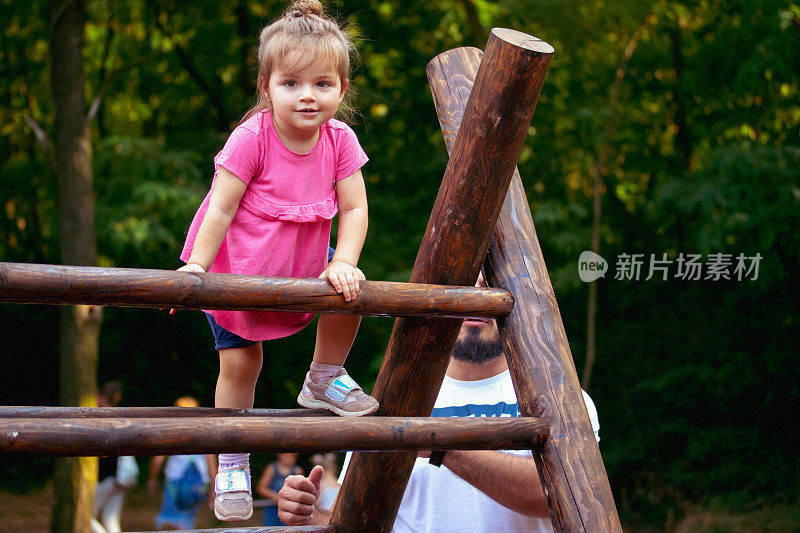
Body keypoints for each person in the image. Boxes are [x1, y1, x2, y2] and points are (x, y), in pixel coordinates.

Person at [175, 0, 377, 522]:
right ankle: (234, 461)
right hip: (239, 262)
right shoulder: (253, 136)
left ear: (342, 88)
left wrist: (345, 260)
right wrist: (196, 269)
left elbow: (355, 207)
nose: (307, 96)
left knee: (350, 293)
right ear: (267, 87)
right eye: (291, 83)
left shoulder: (340, 141)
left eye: (322, 84)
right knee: (242, 363)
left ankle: (324, 375)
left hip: (304, 259)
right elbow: (220, 205)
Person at [276, 275, 601, 532]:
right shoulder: (391, 400)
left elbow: (561, 492)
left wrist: (440, 445)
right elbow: (357, 518)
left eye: (490, 289)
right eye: (464, 289)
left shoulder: (563, 400)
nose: (476, 301)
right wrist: (311, 518)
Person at [147, 397, 214, 530]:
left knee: (172, 519)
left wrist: (152, 479)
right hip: (199, 482)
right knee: (189, 518)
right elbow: (211, 464)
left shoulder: (171, 431)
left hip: (175, 479)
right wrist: (214, 488)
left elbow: (158, 459)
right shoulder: (206, 432)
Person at [92, 381, 139, 533]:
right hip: (120, 479)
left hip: (106, 477)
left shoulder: (102, 419)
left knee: (87, 517)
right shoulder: (122, 417)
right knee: (111, 519)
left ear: (103, 397)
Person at [257, 453, 303, 526]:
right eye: (286, 455)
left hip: (289, 510)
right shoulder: (271, 468)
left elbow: (300, 491)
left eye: (292, 455)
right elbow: (261, 488)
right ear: (279, 455)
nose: (289, 458)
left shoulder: (297, 470)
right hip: (272, 509)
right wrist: (275, 496)